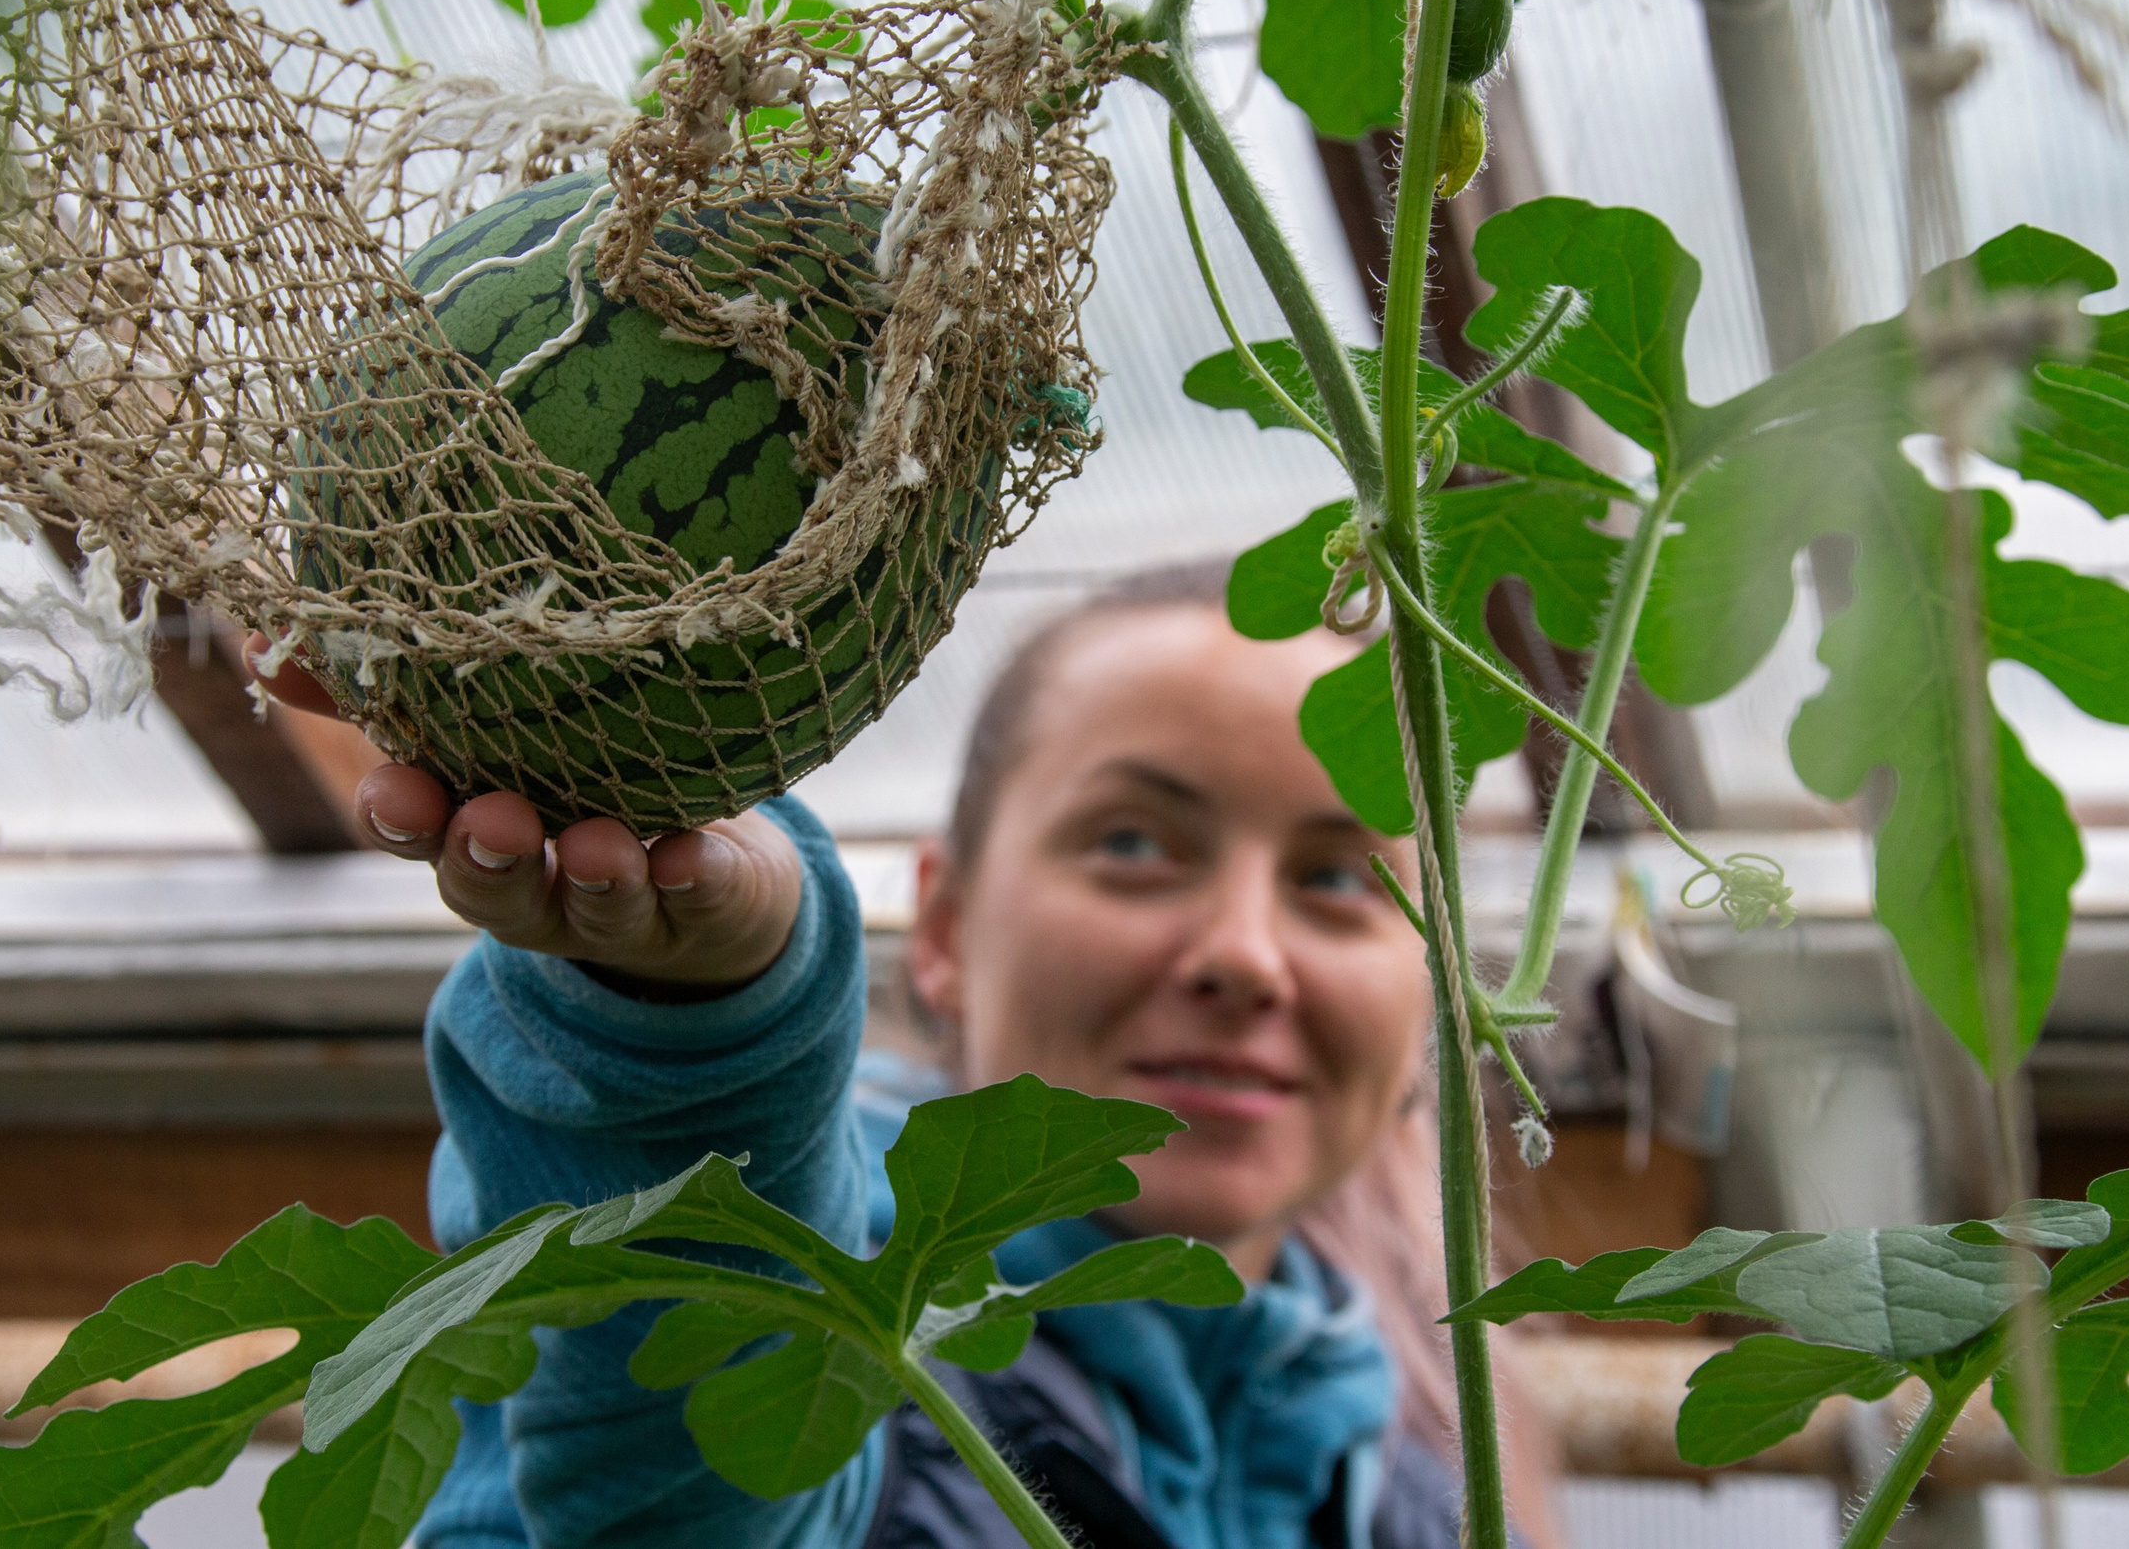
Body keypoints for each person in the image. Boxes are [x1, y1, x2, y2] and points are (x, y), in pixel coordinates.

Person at [247, 563, 1559, 1549]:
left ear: (1439, 999)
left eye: (1338, 878)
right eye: (1132, 843)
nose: (1244, 954)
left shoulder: (1399, 1459)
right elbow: (689, 1476)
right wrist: (696, 1009)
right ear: (940, 928)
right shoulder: (843, 1296)